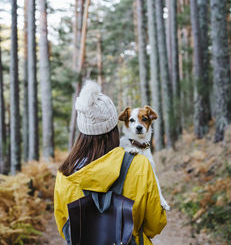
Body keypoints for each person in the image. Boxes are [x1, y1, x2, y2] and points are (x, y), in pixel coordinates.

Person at [54, 80, 167, 245]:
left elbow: (65, 227)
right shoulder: (139, 165)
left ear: (82, 131)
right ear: (114, 128)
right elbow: (155, 224)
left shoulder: (65, 174)